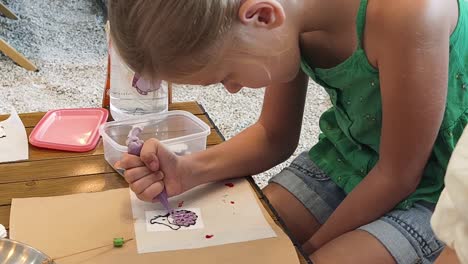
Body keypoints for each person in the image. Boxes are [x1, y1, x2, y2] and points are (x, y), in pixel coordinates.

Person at [110, 0, 467, 263]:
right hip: (352, 156)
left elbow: (399, 174)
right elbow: (273, 135)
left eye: (225, 76)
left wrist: (305, 252)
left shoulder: (409, 12)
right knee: (237, 248)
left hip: (439, 187)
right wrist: (189, 171)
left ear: (262, 15)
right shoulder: (282, 23)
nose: (233, 90)